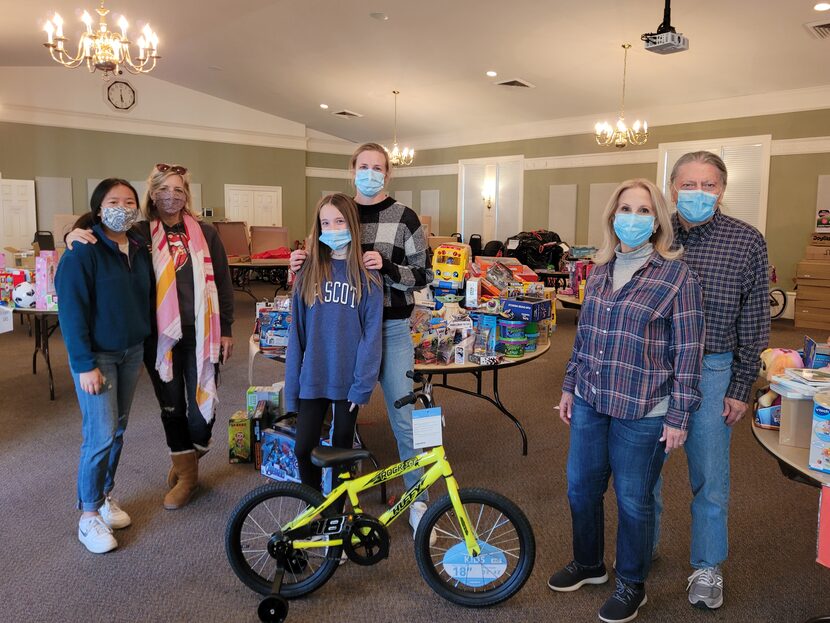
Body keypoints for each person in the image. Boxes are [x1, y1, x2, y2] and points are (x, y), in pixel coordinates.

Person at [548, 179, 704, 623]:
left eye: (642, 211)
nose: (631, 218)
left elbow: (689, 351)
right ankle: (589, 563)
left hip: (645, 409)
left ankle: (632, 584)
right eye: (624, 209)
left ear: (656, 221)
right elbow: (584, 336)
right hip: (592, 398)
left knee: (634, 499)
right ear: (611, 216)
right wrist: (568, 386)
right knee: (581, 488)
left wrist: (678, 416)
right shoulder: (598, 270)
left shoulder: (677, 276)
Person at [66, 163, 235, 510]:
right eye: (163, 190)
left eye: (178, 190)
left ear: (187, 194)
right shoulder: (140, 232)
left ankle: (187, 459)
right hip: (160, 339)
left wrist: (229, 329)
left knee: (203, 416)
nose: (171, 196)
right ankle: (187, 476)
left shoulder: (206, 233)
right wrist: (72, 233)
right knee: (172, 407)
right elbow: (96, 226)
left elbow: (223, 282)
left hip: (204, 333)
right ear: (152, 194)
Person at [290, 143, 432, 536]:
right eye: (364, 166)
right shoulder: (338, 210)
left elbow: (426, 275)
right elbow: (316, 253)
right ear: (352, 169)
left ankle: (417, 498)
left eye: (379, 167)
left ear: (388, 173)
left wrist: (387, 267)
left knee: (403, 419)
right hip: (343, 330)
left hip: (391, 327)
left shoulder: (404, 217)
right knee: (342, 420)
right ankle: (337, 499)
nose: (371, 173)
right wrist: (297, 263)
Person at [653, 151, 770, 610]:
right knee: (643, 472)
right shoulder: (654, 234)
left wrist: (742, 387)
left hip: (712, 370)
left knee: (710, 479)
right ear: (672, 187)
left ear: (722, 190)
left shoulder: (747, 241)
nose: (698, 194)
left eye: (708, 185)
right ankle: (643, 549)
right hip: (653, 368)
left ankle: (706, 567)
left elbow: (755, 319)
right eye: (688, 185)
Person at [56, 179, 153, 553]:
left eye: (129, 201)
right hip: (96, 358)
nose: (123, 207)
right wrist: (83, 365)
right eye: (114, 201)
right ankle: (87, 515)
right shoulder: (83, 250)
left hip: (131, 352)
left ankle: (104, 496)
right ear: (99, 208)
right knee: (99, 435)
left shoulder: (139, 246)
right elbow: (71, 311)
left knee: (118, 429)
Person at [284, 193, 383, 494]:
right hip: (313, 377)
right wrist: (292, 389)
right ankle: (314, 505)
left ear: (352, 224)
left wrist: (361, 386)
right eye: (326, 222)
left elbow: (371, 336)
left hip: (347, 380)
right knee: (303, 448)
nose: (333, 227)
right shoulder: (307, 271)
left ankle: (337, 515)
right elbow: (296, 336)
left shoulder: (368, 276)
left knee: (342, 451)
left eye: (339, 221)